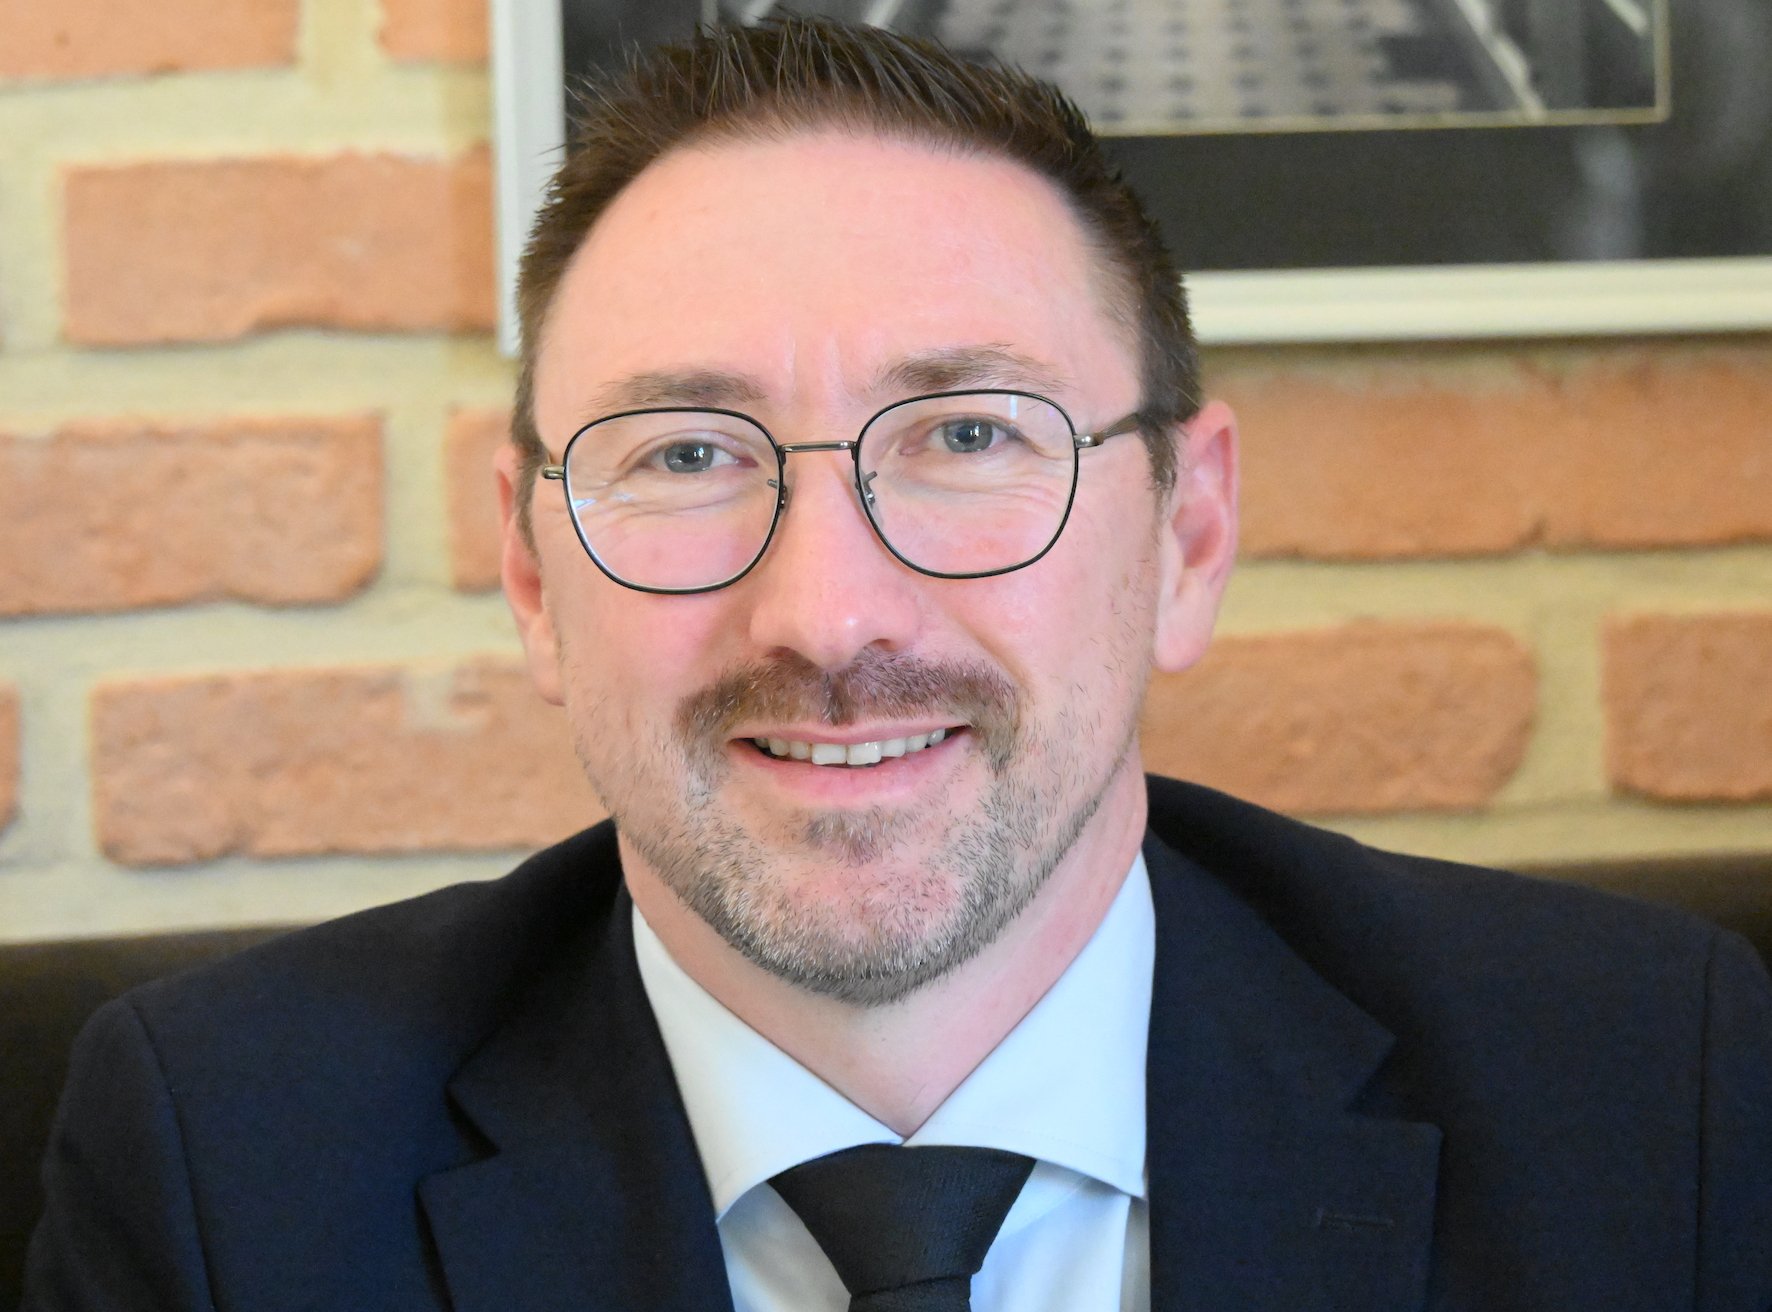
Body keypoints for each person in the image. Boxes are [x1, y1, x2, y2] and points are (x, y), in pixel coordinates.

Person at [24, 17, 1772, 1311]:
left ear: (1186, 537)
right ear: (532, 574)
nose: (829, 617)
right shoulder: (226, 1170)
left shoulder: (1646, 1096)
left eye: (966, 436)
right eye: (685, 454)